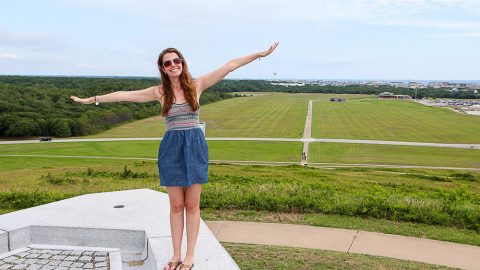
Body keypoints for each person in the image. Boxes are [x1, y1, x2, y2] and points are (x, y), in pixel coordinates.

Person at [70, 42, 279, 270]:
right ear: (162, 68)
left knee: (192, 205)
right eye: (167, 63)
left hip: (195, 146)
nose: (173, 65)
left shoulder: (196, 85)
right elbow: (124, 95)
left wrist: (259, 54)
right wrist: (92, 100)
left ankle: (189, 257)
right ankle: (176, 254)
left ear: (182, 62)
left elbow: (229, 66)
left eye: (176, 60)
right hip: (171, 148)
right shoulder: (158, 92)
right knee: (176, 205)